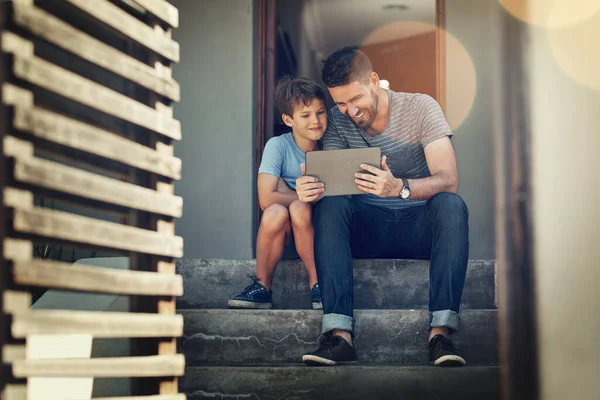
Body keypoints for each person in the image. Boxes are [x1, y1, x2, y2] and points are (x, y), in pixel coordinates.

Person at [298, 47, 469, 366]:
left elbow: (449, 178)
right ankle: (339, 335)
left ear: (374, 81)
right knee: (330, 205)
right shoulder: (336, 120)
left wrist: (400, 187)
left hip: (418, 227)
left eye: (355, 99)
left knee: (451, 204)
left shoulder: (420, 107)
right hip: (368, 228)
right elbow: (333, 187)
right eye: (340, 103)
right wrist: (313, 187)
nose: (349, 110)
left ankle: (440, 336)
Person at [228, 76, 327, 310]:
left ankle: (319, 285)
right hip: (283, 235)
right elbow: (265, 199)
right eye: (305, 115)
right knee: (275, 212)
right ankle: (262, 287)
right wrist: (307, 195)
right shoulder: (278, 146)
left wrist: (286, 191)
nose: (315, 121)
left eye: (321, 112)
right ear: (288, 119)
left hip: (318, 228)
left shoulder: (331, 143)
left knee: (299, 207)